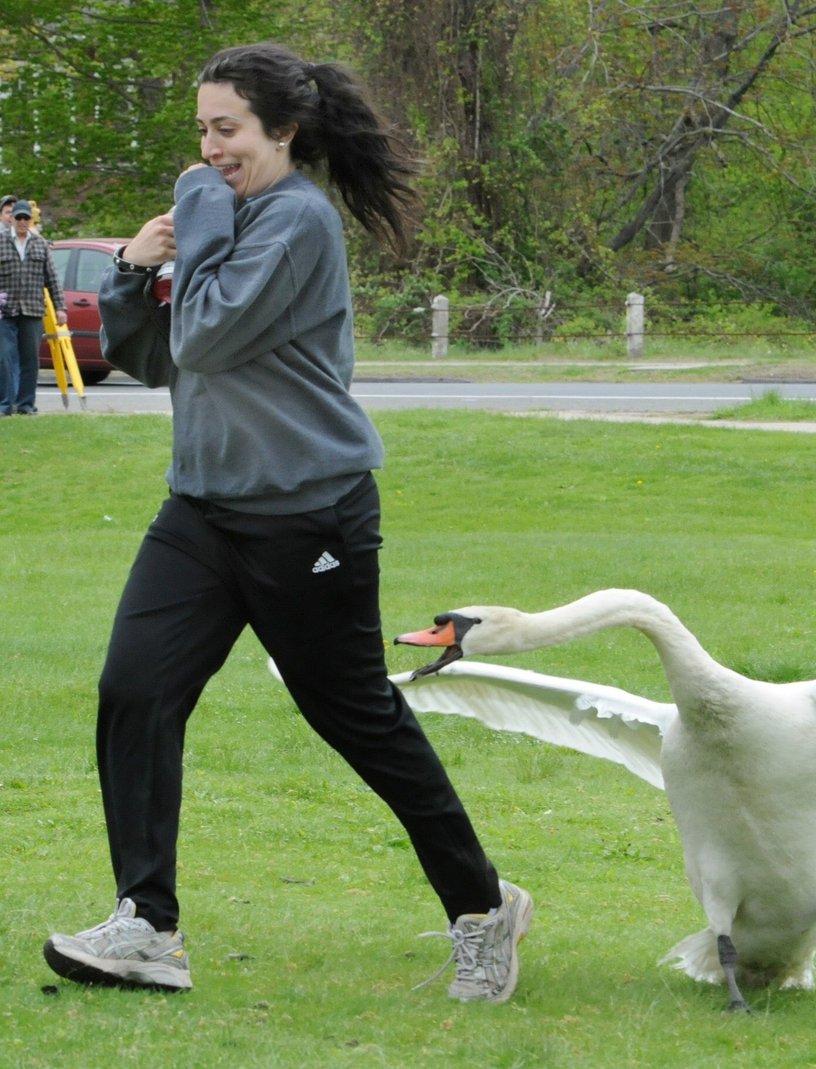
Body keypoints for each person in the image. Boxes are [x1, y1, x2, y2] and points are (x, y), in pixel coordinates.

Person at [42, 42, 532, 1002]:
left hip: (310, 519)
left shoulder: (297, 222)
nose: (209, 150)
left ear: (284, 131)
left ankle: (483, 909)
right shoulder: (230, 220)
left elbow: (207, 331)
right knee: (135, 691)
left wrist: (195, 205)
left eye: (226, 129)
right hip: (202, 509)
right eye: (201, 132)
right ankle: (147, 926)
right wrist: (133, 272)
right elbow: (162, 358)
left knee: (356, 719)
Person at [0, 199, 66, 414]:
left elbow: (52, 278)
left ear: (31, 220)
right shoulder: (1, 241)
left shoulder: (40, 244)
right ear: (12, 219)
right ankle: (5, 405)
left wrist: (60, 308)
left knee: (30, 360)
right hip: (5, 311)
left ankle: (26, 405)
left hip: (32, 310)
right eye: (18, 217)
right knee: (4, 358)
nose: (22, 221)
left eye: (25, 218)